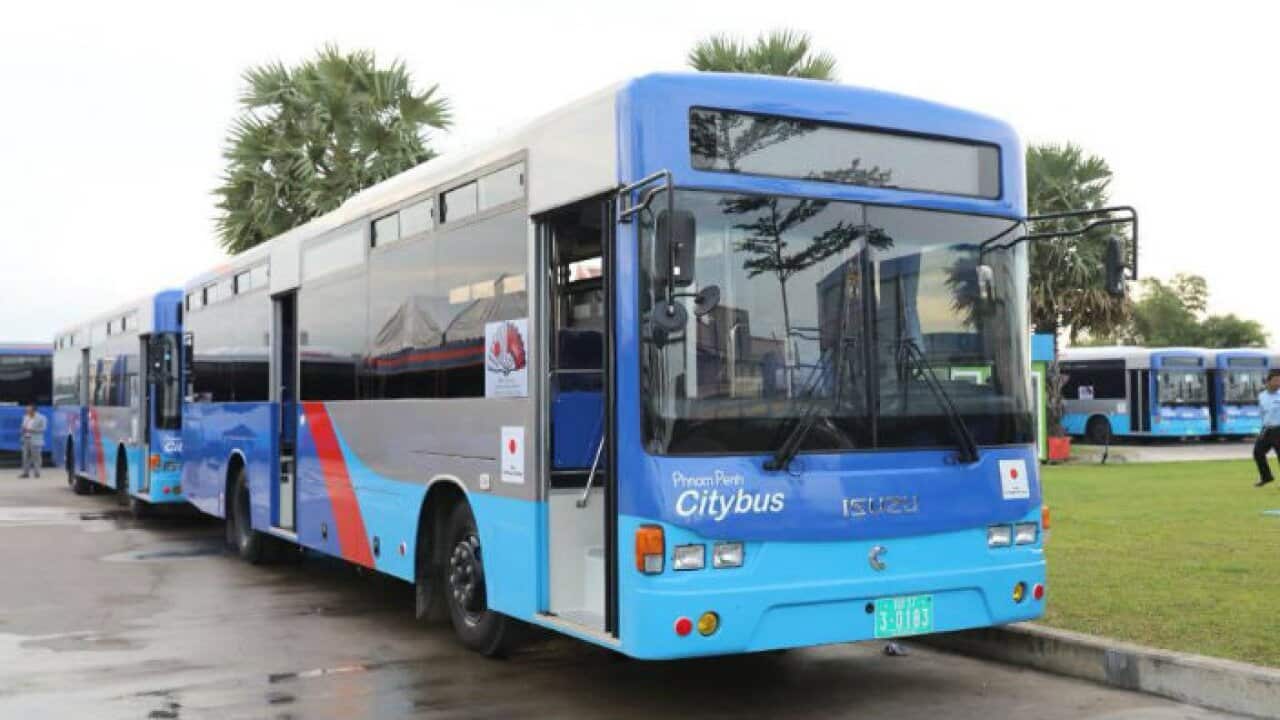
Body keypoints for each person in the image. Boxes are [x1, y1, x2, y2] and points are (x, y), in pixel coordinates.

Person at [1253, 369, 1280, 487]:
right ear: (1268, 382)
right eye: (1276, 380)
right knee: (1258, 452)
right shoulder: (1261, 396)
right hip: (1266, 429)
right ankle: (1266, 477)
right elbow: (1262, 413)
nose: (1278, 383)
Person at [19, 404, 46, 479]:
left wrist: (31, 430)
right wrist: (22, 430)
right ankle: (25, 473)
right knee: (25, 457)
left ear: (33, 410)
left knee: (36, 457)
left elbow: (43, 429)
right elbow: (23, 427)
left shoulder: (41, 418)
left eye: (28, 410)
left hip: (36, 440)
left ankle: (37, 473)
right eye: (26, 410)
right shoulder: (25, 417)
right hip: (26, 439)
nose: (27, 411)